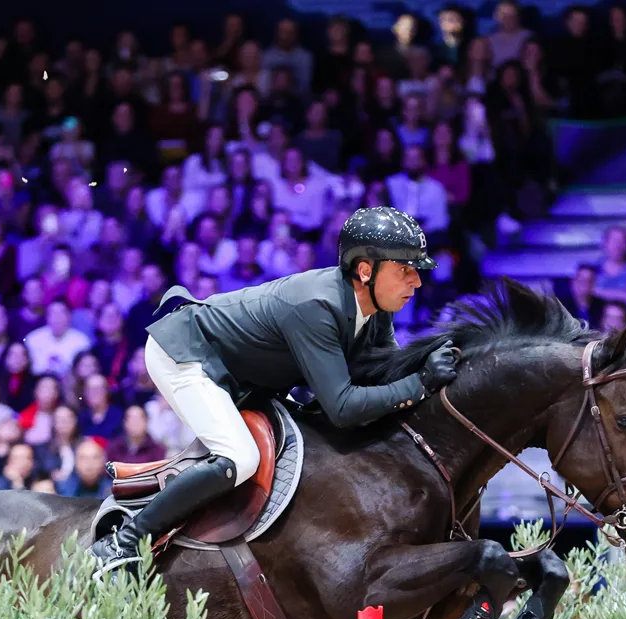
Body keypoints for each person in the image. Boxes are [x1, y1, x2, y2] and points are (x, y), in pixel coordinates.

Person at [90, 207, 460, 571]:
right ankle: (123, 542)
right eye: (405, 270)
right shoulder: (316, 306)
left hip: (241, 371)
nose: (417, 281)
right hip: (187, 354)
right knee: (240, 458)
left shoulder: (377, 305)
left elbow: (381, 375)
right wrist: (421, 381)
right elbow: (343, 407)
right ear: (366, 270)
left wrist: (426, 367)